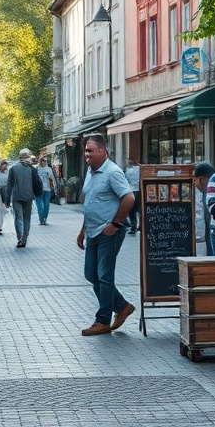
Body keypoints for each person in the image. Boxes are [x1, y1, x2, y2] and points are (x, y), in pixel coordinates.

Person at [76, 133, 135, 336]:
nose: (87, 155)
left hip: (108, 232)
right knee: (90, 274)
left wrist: (116, 224)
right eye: (85, 151)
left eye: (90, 151)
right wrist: (83, 230)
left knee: (104, 276)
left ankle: (103, 320)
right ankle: (122, 306)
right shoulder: (91, 172)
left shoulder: (112, 172)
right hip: (93, 231)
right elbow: (91, 202)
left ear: (102, 151)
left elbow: (129, 198)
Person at [6, 148, 37, 247]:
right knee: (27, 217)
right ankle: (24, 238)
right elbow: (37, 183)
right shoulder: (32, 168)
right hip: (28, 196)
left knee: (18, 217)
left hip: (17, 196)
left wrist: (7, 200)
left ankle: (20, 238)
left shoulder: (13, 168)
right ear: (27, 158)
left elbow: (9, 185)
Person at [193, 161, 215, 255]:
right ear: (200, 178)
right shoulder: (192, 193)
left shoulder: (210, 191)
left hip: (209, 231)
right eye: (208, 179)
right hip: (198, 238)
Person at [35, 156, 56, 225]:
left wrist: (53, 186)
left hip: (47, 189)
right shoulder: (36, 169)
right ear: (39, 161)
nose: (43, 162)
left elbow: (52, 178)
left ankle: (44, 218)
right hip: (38, 190)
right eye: (42, 161)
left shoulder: (48, 169)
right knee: (40, 205)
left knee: (46, 205)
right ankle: (41, 219)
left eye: (45, 161)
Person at [124, 159, 141, 234]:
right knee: (141, 210)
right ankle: (141, 225)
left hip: (132, 191)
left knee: (132, 211)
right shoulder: (141, 170)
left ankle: (133, 227)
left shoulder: (128, 171)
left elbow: (125, 180)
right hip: (140, 191)